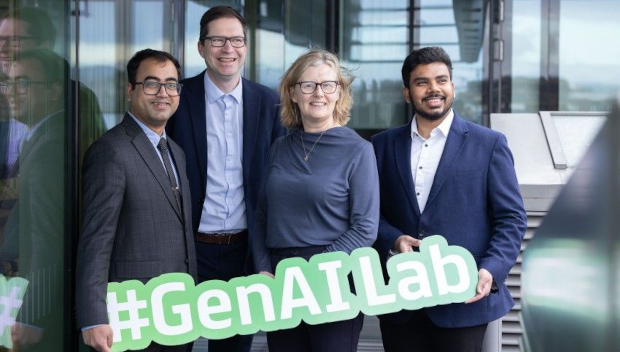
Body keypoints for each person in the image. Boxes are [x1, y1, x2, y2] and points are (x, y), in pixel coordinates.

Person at [371, 46, 527, 352]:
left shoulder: (489, 144)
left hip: (463, 299)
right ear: (407, 93)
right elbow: (367, 213)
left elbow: (511, 218)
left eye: (441, 80)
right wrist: (392, 239)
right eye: (422, 82)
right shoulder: (381, 145)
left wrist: (492, 268)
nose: (433, 89)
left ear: (452, 87)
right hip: (401, 300)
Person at [165, 6, 285, 351]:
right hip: (187, 248)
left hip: (243, 251)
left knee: (233, 347)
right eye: (217, 40)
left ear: (246, 47)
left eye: (236, 40)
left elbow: (277, 177)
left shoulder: (268, 103)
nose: (227, 49)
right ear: (201, 47)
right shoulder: (176, 97)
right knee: (175, 342)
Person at [251, 49, 379, 352]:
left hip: (333, 279)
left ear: (340, 92)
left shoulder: (359, 150)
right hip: (281, 281)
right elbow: (261, 216)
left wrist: (314, 272)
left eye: (327, 85)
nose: (318, 93)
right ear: (293, 93)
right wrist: (261, 268)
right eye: (307, 85)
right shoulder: (280, 147)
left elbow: (365, 228)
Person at [75, 49, 197, 352]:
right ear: (130, 90)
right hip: (131, 319)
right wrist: (93, 317)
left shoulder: (176, 152)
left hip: (177, 313)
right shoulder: (110, 151)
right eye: (151, 84)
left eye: (171, 84)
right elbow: (96, 239)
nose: (163, 93)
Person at [0, 48, 68, 350]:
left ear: (54, 91)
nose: (11, 92)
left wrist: (32, 316)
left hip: (41, 306)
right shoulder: (40, 137)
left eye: (24, 83)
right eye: (8, 83)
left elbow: (48, 240)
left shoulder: (50, 148)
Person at [0, 6, 106, 162]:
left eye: (15, 40)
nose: (3, 49)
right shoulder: (4, 94)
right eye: (1, 39)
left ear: (45, 46)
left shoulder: (77, 96)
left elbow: (94, 161)